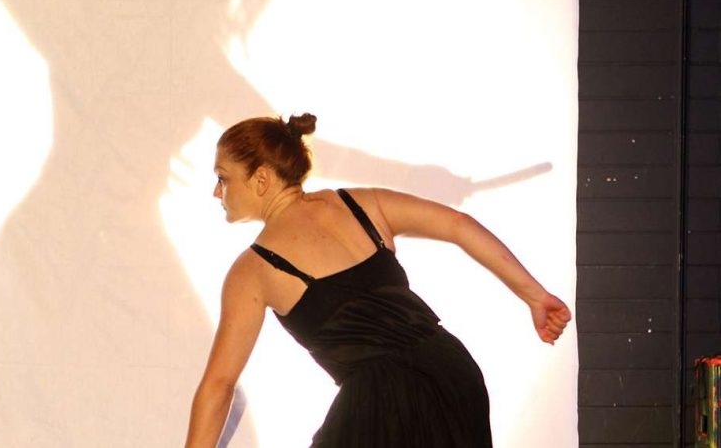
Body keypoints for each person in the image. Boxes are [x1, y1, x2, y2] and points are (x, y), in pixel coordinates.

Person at [185, 113, 572, 447]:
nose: (217, 192)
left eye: (223, 178)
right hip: (451, 370)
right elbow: (458, 225)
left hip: (382, 402)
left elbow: (219, 385)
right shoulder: (362, 204)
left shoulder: (252, 270)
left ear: (261, 178)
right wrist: (535, 296)